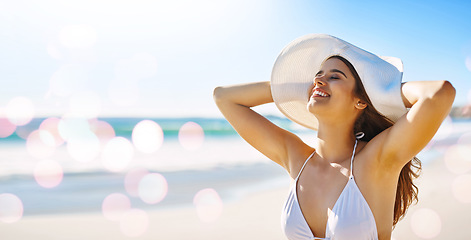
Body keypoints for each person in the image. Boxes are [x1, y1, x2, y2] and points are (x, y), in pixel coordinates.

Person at [213, 34, 455, 240]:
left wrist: (381, 92)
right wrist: (297, 89)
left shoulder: (377, 161)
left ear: (361, 100)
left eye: (335, 76)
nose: (319, 79)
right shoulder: (296, 158)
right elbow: (224, 98)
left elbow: (439, 93)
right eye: (318, 75)